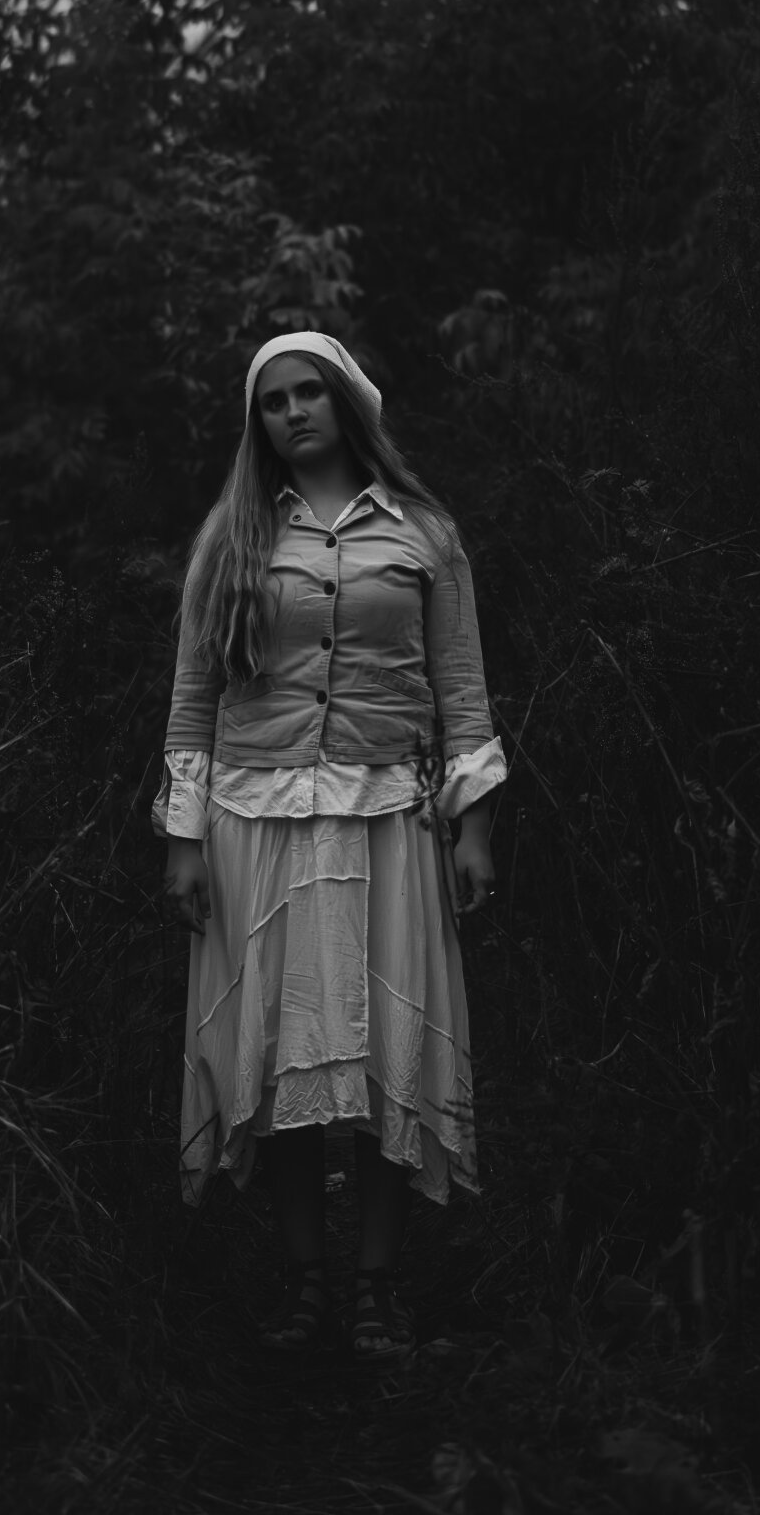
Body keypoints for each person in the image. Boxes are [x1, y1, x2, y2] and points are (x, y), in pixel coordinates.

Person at [154, 331, 507, 1358]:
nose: (292, 412)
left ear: (346, 402)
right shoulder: (232, 536)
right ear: (256, 421)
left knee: (387, 1054)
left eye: (308, 392)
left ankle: (376, 1288)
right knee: (284, 1061)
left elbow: (461, 689)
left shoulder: (425, 533)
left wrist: (475, 824)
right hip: (254, 824)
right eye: (272, 401)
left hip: (388, 815)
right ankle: (306, 1284)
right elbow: (192, 699)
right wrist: (183, 840)